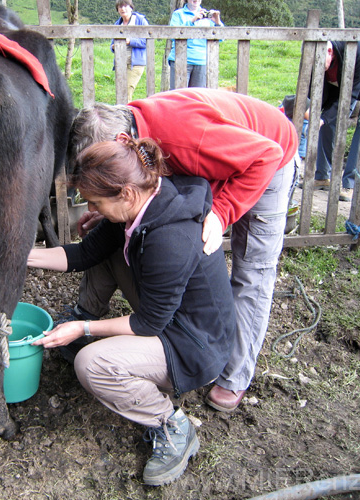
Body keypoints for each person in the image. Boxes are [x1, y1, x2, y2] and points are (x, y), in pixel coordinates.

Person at [64, 88, 299, 413]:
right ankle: (180, 330)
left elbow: (265, 156)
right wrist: (106, 208)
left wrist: (221, 211)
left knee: (252, 273)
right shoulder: (134, 141)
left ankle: (234, 375)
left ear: (121, 140)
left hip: (269, 158)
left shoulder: (187, 138)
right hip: (231, 155)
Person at [28, 137, 236, 486]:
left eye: (95, 202)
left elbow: (149, 322)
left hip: (192, 346)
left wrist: (83, 329)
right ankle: (87, 322)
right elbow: (83, 255)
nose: (92, 209)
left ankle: (171, 425)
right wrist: (21, 257)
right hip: (169, 316)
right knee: (106, 251)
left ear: (124, 193)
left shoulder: (169, 237)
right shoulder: (141, 203)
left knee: (92, 365)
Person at [313, 40, 360, 202]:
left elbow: (349, 97)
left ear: (330, 51)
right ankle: (323, 176)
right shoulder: (315, 52)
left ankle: (349, 183)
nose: (315, 65)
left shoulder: (358, 53)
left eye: (318, 61)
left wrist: (323, 118)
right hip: (339, 87)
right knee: (327, 122)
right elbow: (314, 88)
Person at [167, 0, 223, 89]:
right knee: (178, 96)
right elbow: (172, 35)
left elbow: (221, 38)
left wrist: (217, 22)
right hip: (180, 59)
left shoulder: (207, 15)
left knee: (197, 97)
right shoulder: (178, 14)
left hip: (201, 61)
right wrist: (192, 20)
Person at [111, 0, 149, 102]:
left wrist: (130, 41)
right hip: (120, 62)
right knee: (120, 92)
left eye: (125, 6)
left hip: (135, 63)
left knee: (127, 91)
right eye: (120, 7)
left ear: (131, 7)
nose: (123, 9)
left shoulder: (140, 21)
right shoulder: (117, 24)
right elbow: (112, 44)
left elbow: (147, 41)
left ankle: (125, 115)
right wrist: (114, 47)